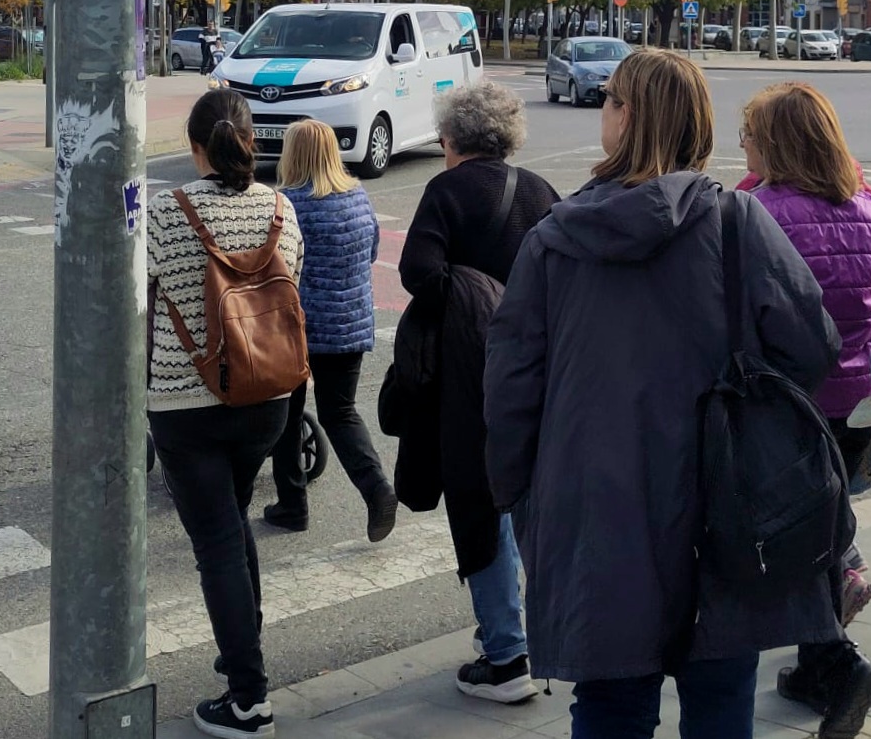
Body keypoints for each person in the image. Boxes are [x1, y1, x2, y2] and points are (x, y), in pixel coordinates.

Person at [483, 49, 843, 739]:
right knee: (720, 701)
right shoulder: (739, 224)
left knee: (612, 705)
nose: (604, 111)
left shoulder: (556, 241)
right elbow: (812, 344)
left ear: (626, 117)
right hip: (725, 505)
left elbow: (510, 389)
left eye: (611, 98)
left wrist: (520, 497)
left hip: (597, 506)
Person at [737, 83, 871, 738]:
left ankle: (837, 659)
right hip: (857, 407)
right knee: (823, 519)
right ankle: (815, 658)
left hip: (788, 406)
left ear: (774, 142)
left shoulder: (759, 211)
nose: (742, 143)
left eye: (749, 132)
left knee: (790, 534)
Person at [146, 88, 305, 739]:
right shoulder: (280, 209)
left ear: (194, 146)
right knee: (231, 525)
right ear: (248, 140)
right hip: (266, 398)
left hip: (186, 405)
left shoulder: (165, 210)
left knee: (216, 542)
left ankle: (248, 697)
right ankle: (243, 656)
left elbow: (137, 292)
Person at [398, 82, 560, 704]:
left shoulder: (448, 190)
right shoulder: (541, 191)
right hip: (535, 368)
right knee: (520, 497)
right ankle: (527, 634)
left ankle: (505, 654)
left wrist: (470, 302)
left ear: (453, 139)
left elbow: (419, 272)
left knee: (477, 500)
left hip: (470, 373)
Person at [264, 118, 398, 541]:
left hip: (298, 329)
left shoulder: (289, 205)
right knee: (340, 412)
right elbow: (373, 250)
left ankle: (292, 506)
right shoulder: (358, 197)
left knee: (285, 416)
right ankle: (377, 490)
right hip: (349, 328)